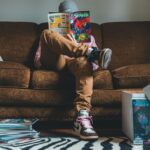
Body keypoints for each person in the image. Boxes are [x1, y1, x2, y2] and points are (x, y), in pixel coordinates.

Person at [34, 0, 112, 140]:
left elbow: (94, 66)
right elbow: (38, 61)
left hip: (77, 63)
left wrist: (76, 45)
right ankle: (89, 52)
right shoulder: (52, 35)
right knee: (46, 33)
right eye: (66, 16)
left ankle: (82, 117)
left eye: (72, 16)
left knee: (84, 60)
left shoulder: (89, 37)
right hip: (57, 62)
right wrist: (64, 46)